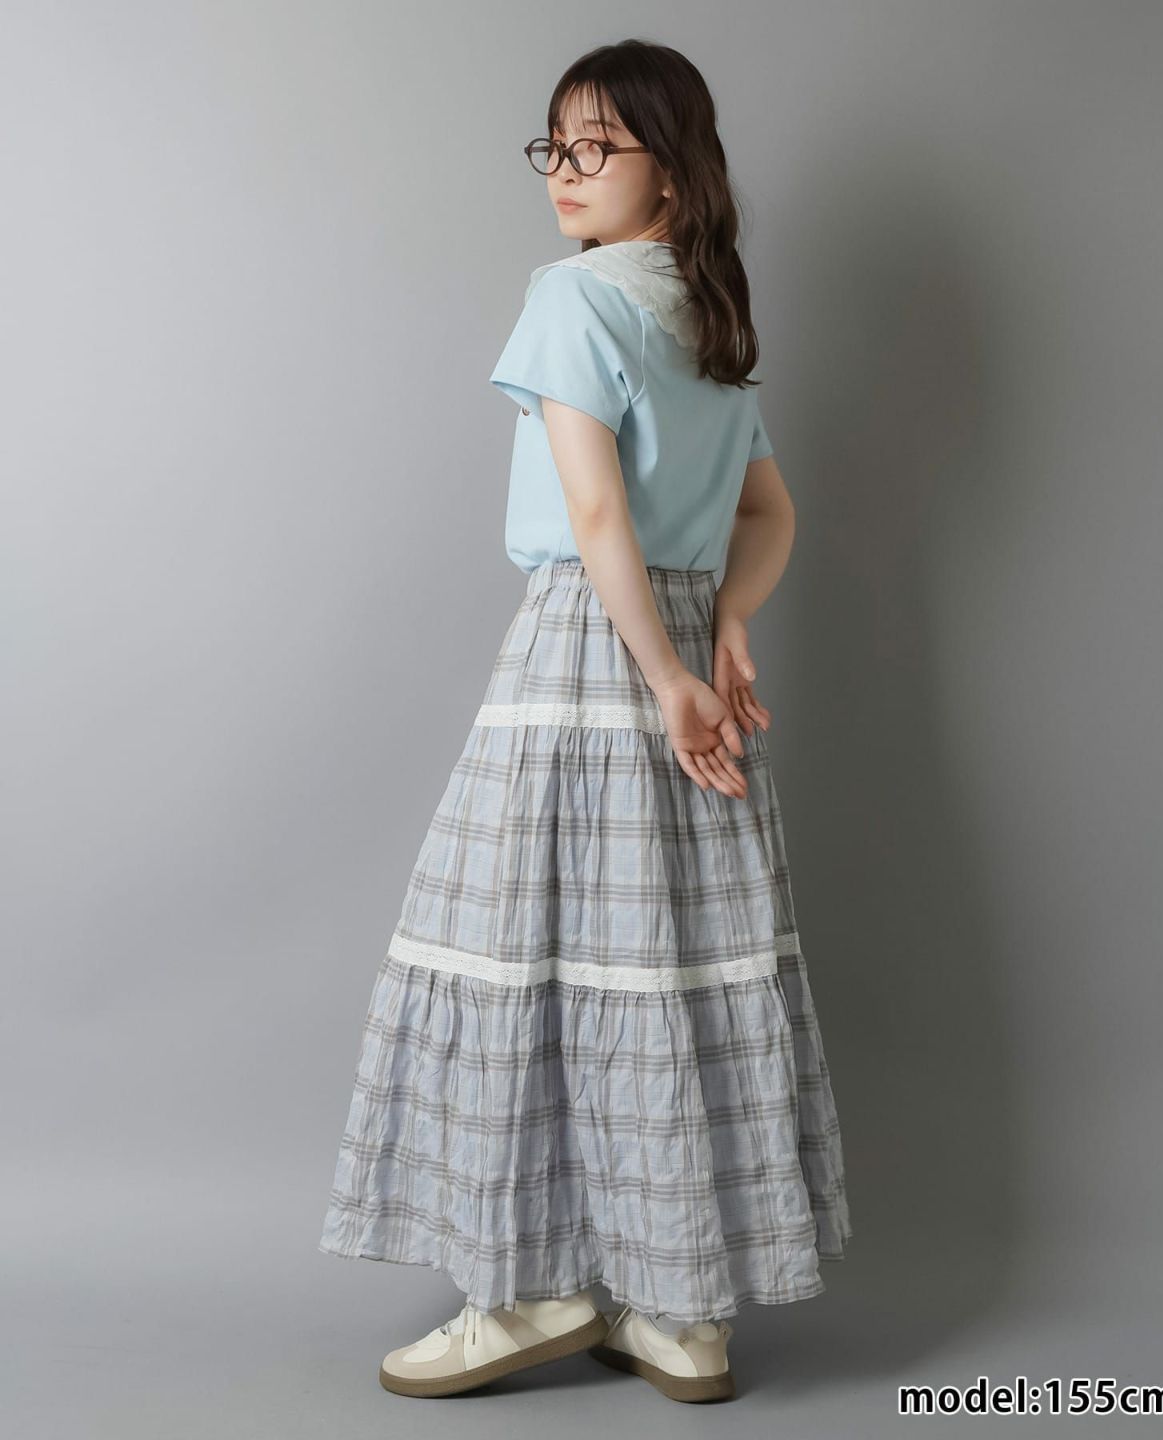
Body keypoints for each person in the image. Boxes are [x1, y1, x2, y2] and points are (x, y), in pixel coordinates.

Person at [318, 39, 851, 1405]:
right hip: (680, 645)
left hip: (589, 648)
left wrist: (666, 676)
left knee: (533, 947)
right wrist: (721, 630)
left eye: (596, 146)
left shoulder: (573, 296)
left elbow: (595, 510)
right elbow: (770, 514)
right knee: (664, 960)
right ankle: (679, 1311)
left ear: (672, 168)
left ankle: (527, 1289)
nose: (564, 171)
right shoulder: (710, 313)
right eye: (553, 146)